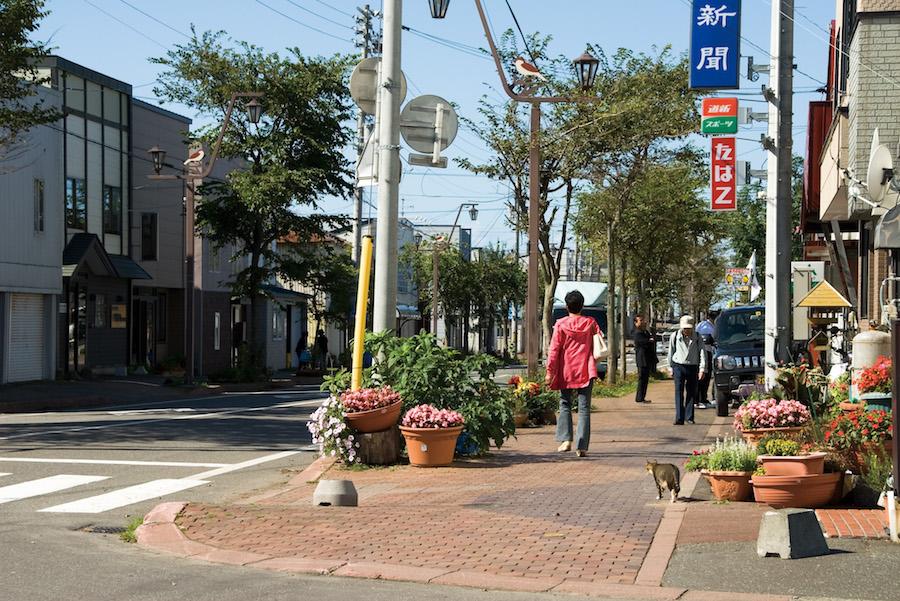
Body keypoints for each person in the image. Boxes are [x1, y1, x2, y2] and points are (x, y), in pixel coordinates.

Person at [545, 290, 602, 457]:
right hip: (586, 369)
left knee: (565, 405)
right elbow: (599, 343)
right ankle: (582, 446)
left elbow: (554, 350)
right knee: (584, 408)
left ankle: (566, 440)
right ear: (582, 306)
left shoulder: (561, 324)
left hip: (566, 370)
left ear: (566, 306)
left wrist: (549, 372)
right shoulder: (591, 323)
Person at [668, 315, 707, 425]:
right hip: (678, 366)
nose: (687, 330)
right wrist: (670, 367)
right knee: (678, 391)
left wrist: (702, 369)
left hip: (692, 366)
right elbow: (671, 352)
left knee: (691, 392)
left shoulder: (698, 337)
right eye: (685, 328)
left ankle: (689, 417)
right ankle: (679, 417)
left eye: (689, 328)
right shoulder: (674, 336)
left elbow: (702, 353)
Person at [695, 311, 717, 409]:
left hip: (709, 352)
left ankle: (703, 398)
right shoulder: (706, 326)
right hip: (705, 352)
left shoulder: (706, 325)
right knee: (704, 376)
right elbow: (709, 339)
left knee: (706, 376)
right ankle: (700, 399)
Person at [632, 315, 656, 404]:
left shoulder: (645, 332)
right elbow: (643, 342)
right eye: (640, 320)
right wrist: (649, 341)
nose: (643, 322)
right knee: (641, 378)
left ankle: (642, 397)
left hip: (647, 358)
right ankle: (639, 398)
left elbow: (651, 340)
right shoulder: (637, 333)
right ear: (636, 323)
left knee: (645, 379)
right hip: (641, 359)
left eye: (643, 320)